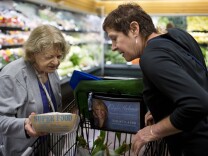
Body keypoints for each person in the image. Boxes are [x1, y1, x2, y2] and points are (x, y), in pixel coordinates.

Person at [102, 3, 208, 156]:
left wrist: (151, 132)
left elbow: (197, 103)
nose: (113, 47)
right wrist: (161, 107)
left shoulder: (151, 57)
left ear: (134, 29)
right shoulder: (177, 35)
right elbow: (195, 77)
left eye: (114, 38)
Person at [0, 24, 70, 156]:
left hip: (47, 146)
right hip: (23, 150)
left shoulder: (51, 71)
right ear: (33, 53)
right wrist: (24, 125)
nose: (56, 62)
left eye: (59, 56)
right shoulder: (11, 76)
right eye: (49, 56)